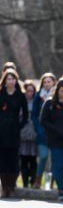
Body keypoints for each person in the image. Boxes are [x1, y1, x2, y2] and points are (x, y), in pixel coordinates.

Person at [0, 69, 28, 197]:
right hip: (1, 131)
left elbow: (25, 114)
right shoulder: (1, 94)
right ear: (4, 81)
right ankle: (4, 187)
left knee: (13, 160)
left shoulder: (20, 95)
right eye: (8, 79)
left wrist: (19, 126)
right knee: (2, 160)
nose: (11, 81)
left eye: (13, 78)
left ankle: (11, 187)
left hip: (14, 132)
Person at [31, 73, 57, 189]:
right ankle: (37, 180)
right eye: (45, 82)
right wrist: (38, 129)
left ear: (53, 83)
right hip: (42, 132)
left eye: (49, 82)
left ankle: (50, 183)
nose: (47, 84)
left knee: (54, 159)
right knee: (43, 156)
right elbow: (34, 115)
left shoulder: (57, 95)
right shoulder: (38, 96)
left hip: (54, 132)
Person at [19, 80, 38, 188]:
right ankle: (25, 182)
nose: (29, 93)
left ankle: (33, 181)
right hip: (23, 132)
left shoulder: (36, 101)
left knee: (33, 158)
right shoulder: (21, 101)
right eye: (28, 91)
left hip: (33, 132)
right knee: (24, 158)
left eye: (32, 91)